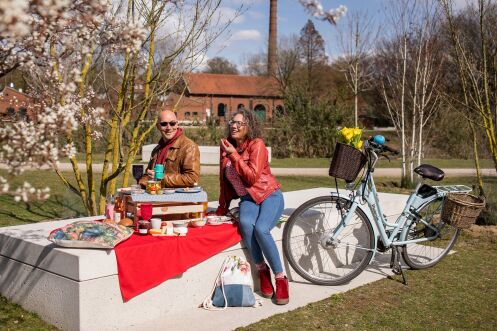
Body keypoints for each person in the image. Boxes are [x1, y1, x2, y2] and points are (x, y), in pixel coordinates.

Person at [215, 108, 289, 305]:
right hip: (248, 198)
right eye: (232, 121)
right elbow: (224, 181)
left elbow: (252, 176)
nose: (234, 125)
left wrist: (234, 156)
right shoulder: (226, 146)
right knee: (246, 224)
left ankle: (280, 278)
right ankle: (262, 271)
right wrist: (222, 206)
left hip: (269, 194)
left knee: (261, 229)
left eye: (240, 123)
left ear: (249, 126)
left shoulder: (257, 145)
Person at [139, 110, 200, 188]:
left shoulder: (189, 147)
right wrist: (141, 183)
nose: (168, 127)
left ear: (177, 125)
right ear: (158, 126)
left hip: (178, 198)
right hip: (157, 196)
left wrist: (161, 178)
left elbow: (192, 179)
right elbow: (147, 176)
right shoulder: (157, 149)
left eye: (172, 123)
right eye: (164, 124)